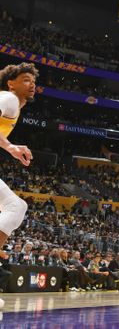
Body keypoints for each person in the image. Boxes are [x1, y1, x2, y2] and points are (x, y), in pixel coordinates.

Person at [0, 63, 36, 294]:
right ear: (10, 83)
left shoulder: (13, 106)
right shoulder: (8, 98)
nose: (31, 84)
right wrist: (10, 146)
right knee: (15, 205)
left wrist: (9, 146)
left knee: (16, 205)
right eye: (25, 79)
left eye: (33, 81)